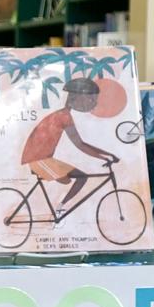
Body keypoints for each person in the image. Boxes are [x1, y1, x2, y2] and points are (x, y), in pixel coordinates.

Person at [20, 76, 119, 218]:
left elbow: (82, 143)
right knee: (81, 177)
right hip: (37, 160)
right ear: (76, 97)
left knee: (81, 177)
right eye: (91, 99)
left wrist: (108, 154)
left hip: (44, 159)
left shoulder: (64, 114)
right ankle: (59, 209)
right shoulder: (63, 116)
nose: (94, 103)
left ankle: (60, 208)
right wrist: (105, 156)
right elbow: (80, 145)